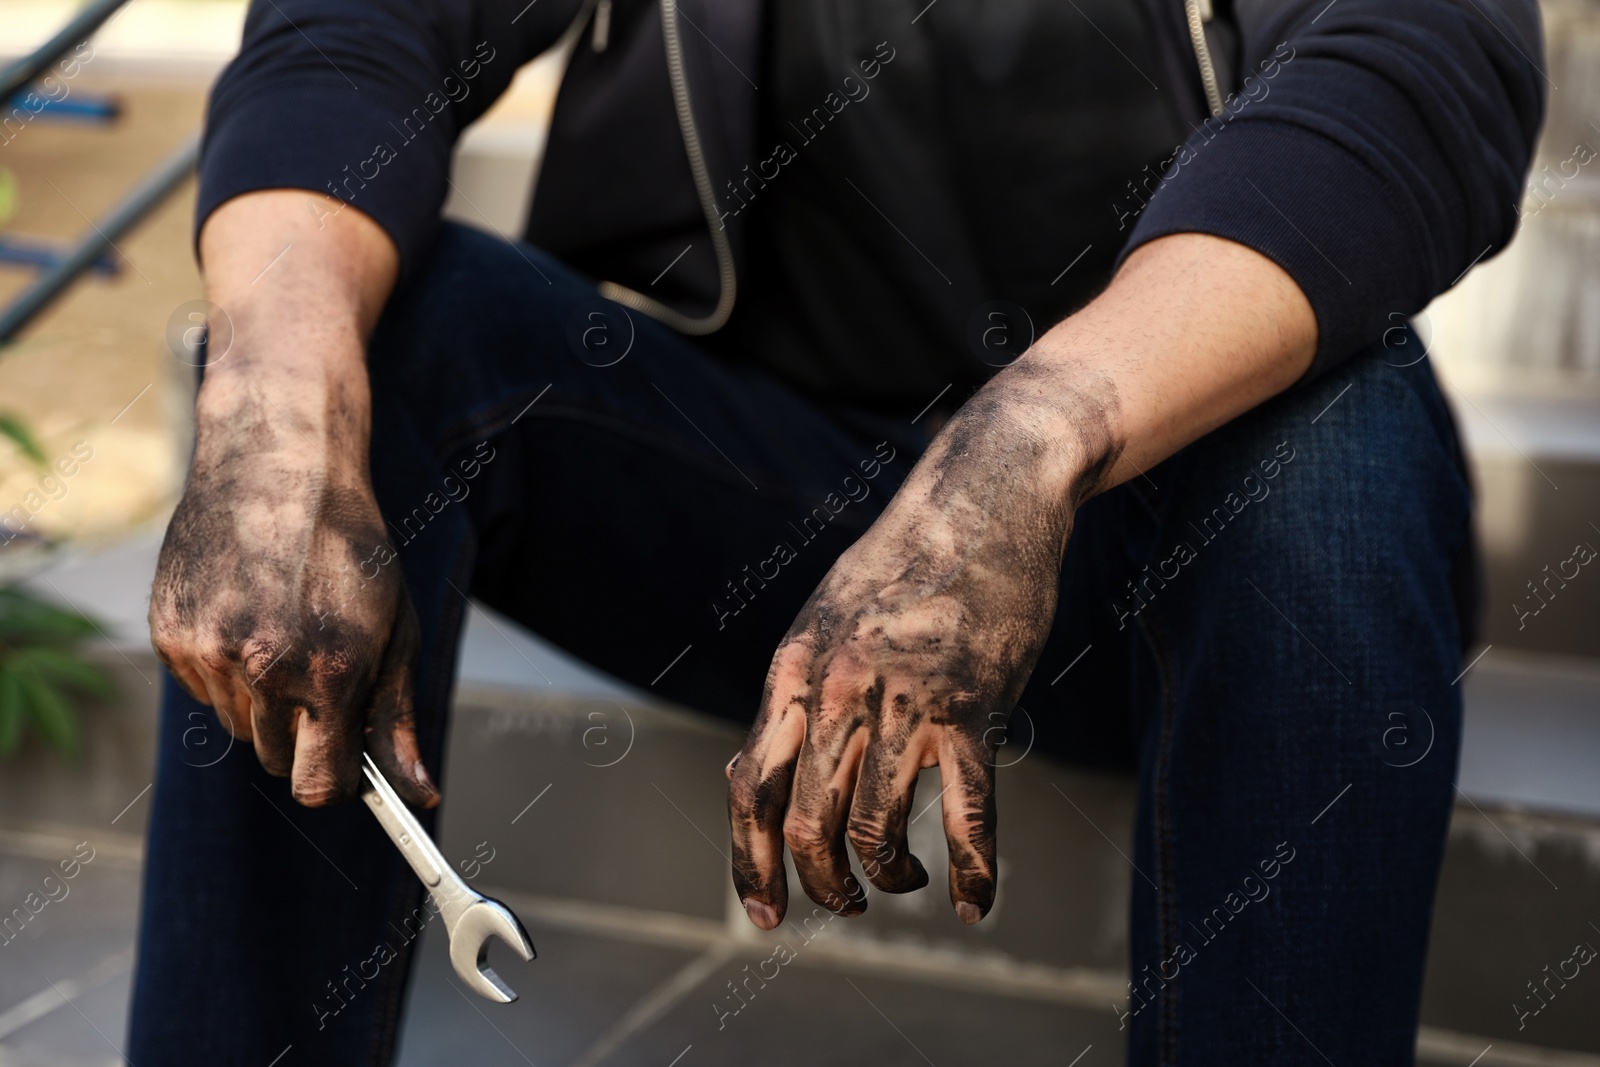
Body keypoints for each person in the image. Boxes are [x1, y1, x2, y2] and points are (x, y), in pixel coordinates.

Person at [130, 0, 1543, 1062]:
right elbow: (353, 33)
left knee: (1338, 440)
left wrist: (1019, 452)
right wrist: (270, 403)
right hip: (765, 519)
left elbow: (1409, 72)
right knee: (348, 361)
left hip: (1149, 533)